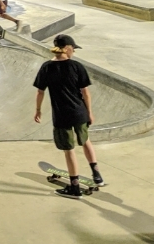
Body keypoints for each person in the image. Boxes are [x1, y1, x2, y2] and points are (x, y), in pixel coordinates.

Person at [34, 35, 105, 197]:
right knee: (86, 141)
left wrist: (38, 110)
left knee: (69, 150)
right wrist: (89, 112)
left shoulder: (46, 67)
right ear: (67, 48)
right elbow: (85, 93)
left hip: (61, 115)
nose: (74, 52)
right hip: (79, 112)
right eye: (73, 48)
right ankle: (96, 174)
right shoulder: (77, 66)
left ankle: (74, 186)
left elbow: (40, 91)